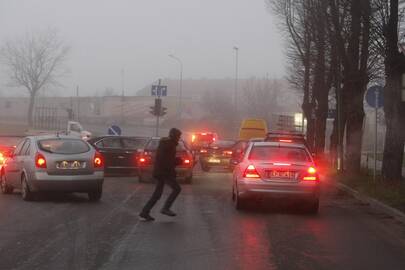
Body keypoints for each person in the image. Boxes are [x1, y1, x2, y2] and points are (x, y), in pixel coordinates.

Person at [139, 128, 183, 221]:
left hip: (161, 171)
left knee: (157, 194)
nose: (179, 138)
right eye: (178, 136)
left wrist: (174, 161)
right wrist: (177, 161)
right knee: (177, 189)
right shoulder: (169, 144)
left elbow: (165, 159)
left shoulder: (166, 143)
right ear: (174, 136)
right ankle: (165, 208)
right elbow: (165, 160)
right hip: (164, 172)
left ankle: (145, 212)